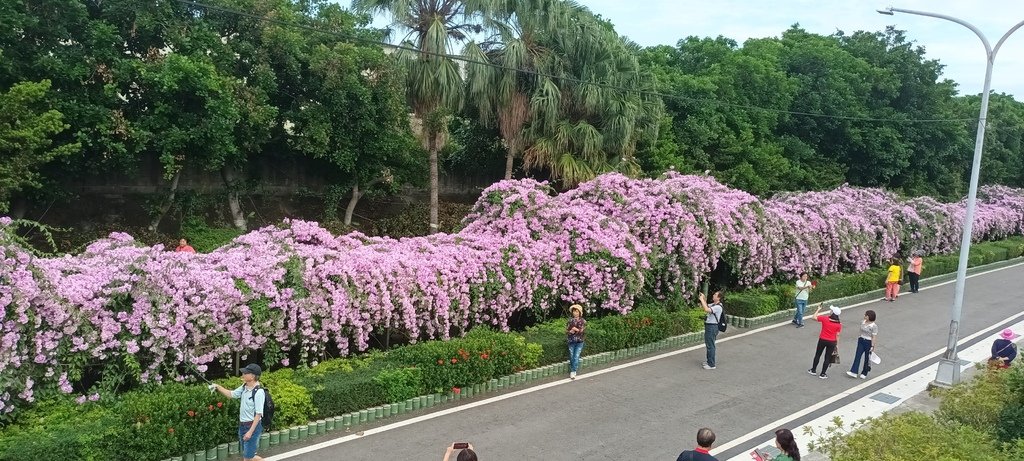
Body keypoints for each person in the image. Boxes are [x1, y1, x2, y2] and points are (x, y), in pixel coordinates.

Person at [209, 364, 266, 461]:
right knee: (249, 455)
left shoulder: (259, 392)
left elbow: (258, 414)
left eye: (245, 373)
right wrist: (218, 387)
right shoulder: (244, 387)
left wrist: (250, 432)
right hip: (243, 425)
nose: (243, 374)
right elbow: (232, 394)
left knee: (247, 457)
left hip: (252, 426)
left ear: (252, 376)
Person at [807, 303, 842, 379]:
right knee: (827, 357)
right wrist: (837, 344)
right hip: (832, 342)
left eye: (831, 310)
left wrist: (818, 309)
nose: (830, 311)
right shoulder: (839, 324)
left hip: (822, 339)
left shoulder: (825, 319)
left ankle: (813, 370)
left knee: (818, 354)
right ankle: (823, 373)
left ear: (832, 313)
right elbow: (838, 335)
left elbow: (813, 317)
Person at [846, 310, 878, 379]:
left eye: (866, 315)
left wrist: (872, 346)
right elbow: (860, 330)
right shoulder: (862, 322)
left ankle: (864, 372)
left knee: (867, 358)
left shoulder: (874, 326)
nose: (864, 316)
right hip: (861, 340)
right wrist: (859, 336)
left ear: (869, 317)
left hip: (868, 342)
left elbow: (874, 337)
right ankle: (854, 371)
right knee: (857, 355)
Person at [698, 291, 724, 370]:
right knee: (709, 344)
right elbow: (705, 306)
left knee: (710, 345)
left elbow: (706, 309)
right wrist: (703, 298)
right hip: (709, 326)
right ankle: (709, 361)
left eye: (715, 294)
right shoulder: (713, 305)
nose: (713, 295)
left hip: (712, 327)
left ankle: (711, 364)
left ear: (719, 297)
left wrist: (702, 299)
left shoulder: (718, 307)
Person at [566, 304, 586, 380]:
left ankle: (573, 371)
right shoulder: (570, 320)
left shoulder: (583, 321)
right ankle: (573, 369)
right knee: (571, 356)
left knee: (576, 356)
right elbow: (567, 331)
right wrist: (570, 331)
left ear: (580, 312)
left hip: (579, 341)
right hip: (571, 341)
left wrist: (575, 329)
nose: (575, 313)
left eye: (577, 311)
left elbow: (582, 331)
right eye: (574, 311)